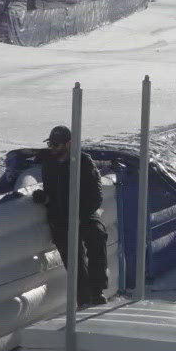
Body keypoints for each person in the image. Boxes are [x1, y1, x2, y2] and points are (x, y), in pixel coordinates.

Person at [34, 125, 107, 307]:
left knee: (97, 236)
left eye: (56, 145)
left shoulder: (84, 162)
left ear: (69, 144)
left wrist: (79, 217)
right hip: (60, 218)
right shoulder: (49, 164)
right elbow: (52, 195)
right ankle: (83, 299)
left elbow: (95, 197)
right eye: (50, 144)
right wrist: (46, 200)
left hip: (84, 215)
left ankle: (96, 292)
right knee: (73, 257)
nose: (52, 149)